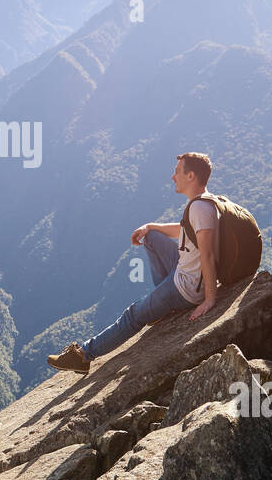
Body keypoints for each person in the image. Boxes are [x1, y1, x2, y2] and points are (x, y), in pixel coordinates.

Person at [47, 152, 220, 375]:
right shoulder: (203, 202)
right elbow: (184, 231)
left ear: (191, 176)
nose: (172, 176)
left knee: (133, 315)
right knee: (151, 238)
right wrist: (151, 226)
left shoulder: (199, 208)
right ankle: (161, 305)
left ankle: (83, 355)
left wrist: (209, 299)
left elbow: (206, 255)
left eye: (177, 171)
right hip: (185, 269)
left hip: (186, 286)